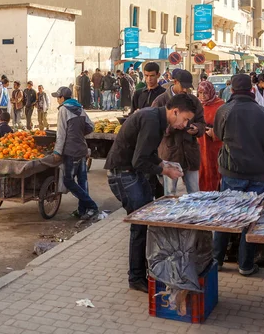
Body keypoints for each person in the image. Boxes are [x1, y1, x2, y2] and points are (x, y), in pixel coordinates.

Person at [106, 94, 195, 292]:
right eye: (185, 119)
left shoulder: (155, 118)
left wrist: (163, 163)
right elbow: (139, 160)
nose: (186, 124)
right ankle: (136, 277)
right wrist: (165, 171)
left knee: (145, 223)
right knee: (139, 226)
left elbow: (147, 154)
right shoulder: (152, 120)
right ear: (175, 112)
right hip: (124, 175)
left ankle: (144, 272)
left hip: (132, 174)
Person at [212, 74, 264, 276]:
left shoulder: (224, 110)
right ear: (252, 90)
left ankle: (216, 260)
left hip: (231, 171)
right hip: (257, 174)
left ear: (232, 90)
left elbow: (218, 135)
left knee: (226, 217)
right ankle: (245, 264)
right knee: (251, 220)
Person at [152, 69, 205, 195]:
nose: (186, 90)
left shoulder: (193, 101)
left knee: (194, 192)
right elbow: (154, 127)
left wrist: (197, 129)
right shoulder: (161, 101)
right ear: (175, 82)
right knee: (170, 194)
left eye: (188, 87)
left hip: (190, 154)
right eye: (183, 86)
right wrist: (173, 127)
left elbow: (202, 123)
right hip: (170, 154)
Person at [51, 87, 98, 220]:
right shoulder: (80, 108)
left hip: (71, 151)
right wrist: (79, 134)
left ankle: (92, 206)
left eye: (57, 97)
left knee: (68, 181)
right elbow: (91, 126)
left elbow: (61, 133)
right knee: (82, 180)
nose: (57, 100)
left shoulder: (63, 110)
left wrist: (57, 151)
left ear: (62, 98)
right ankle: (82, 210)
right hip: (82, 149)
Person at [197, 81, 224, 191]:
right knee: (201, 172)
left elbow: (225, 128)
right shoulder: (197, 105)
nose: (202, 96)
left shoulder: (220, 106)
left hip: (215, 147)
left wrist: (214, 133)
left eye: (205, 93)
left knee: (215, 171)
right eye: (200, 93)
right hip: (199, 145)